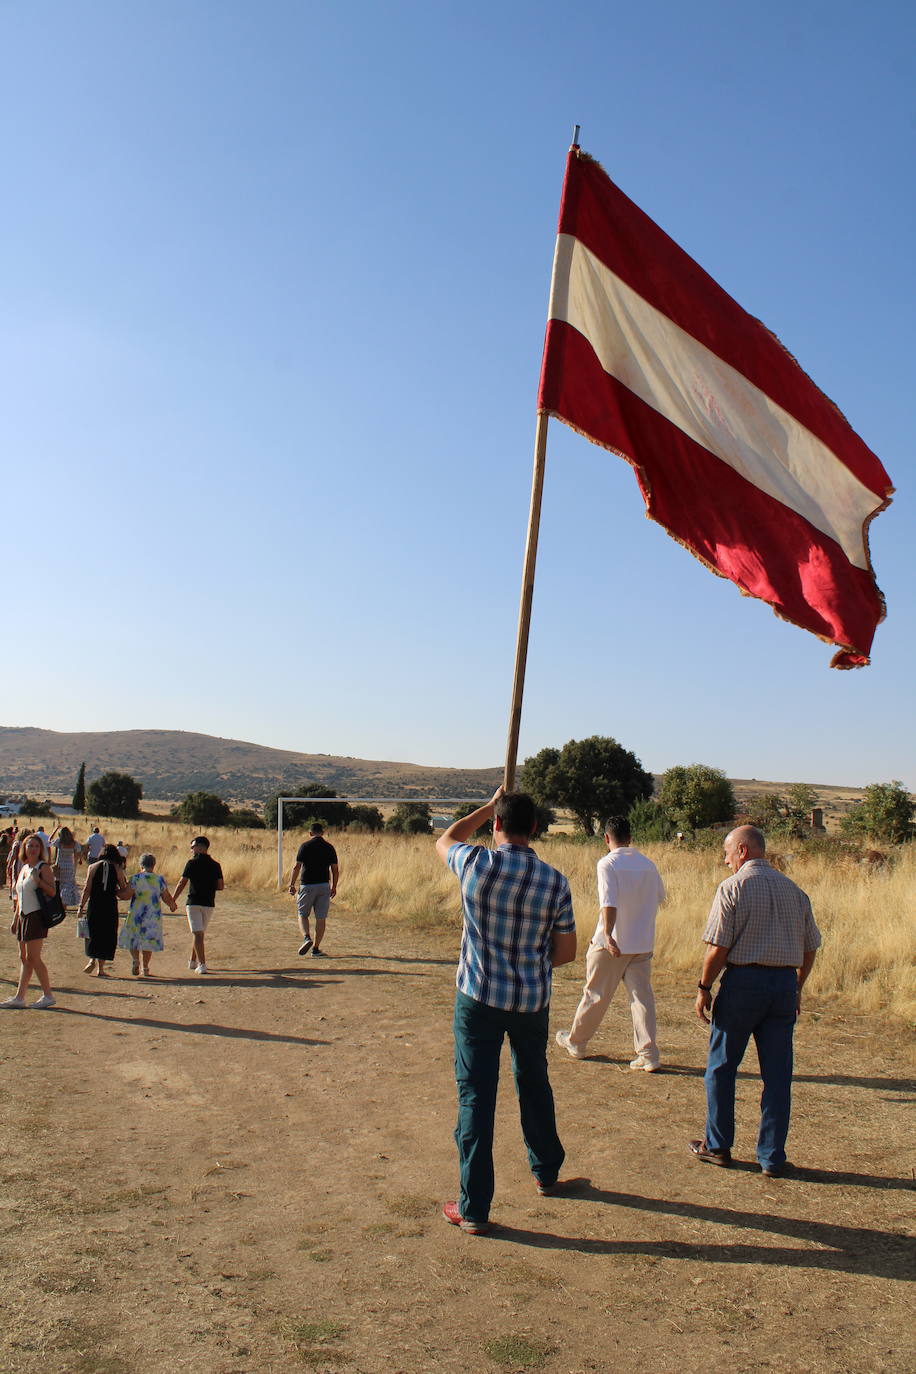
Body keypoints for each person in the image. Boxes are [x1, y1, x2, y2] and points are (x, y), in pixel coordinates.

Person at [435, 788, 577, 1235]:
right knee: (533, 1080)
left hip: (477, 997)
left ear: (496, 825)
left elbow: (447, 837)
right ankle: (546, 1170)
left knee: (476, 1095)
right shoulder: (555, 882)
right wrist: (528, 964)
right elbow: (567, 951)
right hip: (531, 1000)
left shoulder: (475, 864)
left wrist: (486, 804)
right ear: (534, 828)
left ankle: (473, 1207)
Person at [690, 825, 822, 1179]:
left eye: (728, 853)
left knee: (721, 1067)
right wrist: (797, 985)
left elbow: (718, 946)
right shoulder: (795, 891)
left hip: (743, 983)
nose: (726, 860)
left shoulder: (732, 887)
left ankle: (717, 1145)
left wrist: (704, 986)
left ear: (743, 852)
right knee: (778, 1076)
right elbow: (811, 946)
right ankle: (772, 1156)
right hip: (782, 986)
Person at [555, 815, 666, 1069]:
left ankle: (577, 1042)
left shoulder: (607, 864)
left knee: (595, 994)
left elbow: (609, 902)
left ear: (607, 838)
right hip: (641, 943)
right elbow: (659, 897)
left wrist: (607, 933)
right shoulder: (648, 865)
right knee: (642, 998)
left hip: (612, 943)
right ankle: (648, 1054)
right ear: (630, 837)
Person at [2, 833, 58, 1009]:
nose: (32, 849)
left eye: (36, 846)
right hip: (23, 916)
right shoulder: (24, 867)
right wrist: (15, 918)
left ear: (41, 849)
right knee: (24, 957)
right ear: (24, 848)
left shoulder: (43, 868)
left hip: (36, 916)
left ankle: (48, 995)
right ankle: (19, 997)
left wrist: (39, 882)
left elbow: (52, 892)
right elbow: (19, 896)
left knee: (34, 957)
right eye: (29, 846)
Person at [78, 843, 132, 977]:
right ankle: (101, 969)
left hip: (95, 904)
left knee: (93, 931)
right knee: (106, 934)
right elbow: (123, 888)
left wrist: (81, 906)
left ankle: (91, 959)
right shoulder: (117, 869)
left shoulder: (93, 867)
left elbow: (87, 889)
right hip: (109, 905)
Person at [119, 854, 178, 977]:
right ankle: (145, 968)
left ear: (141, 865)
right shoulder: (159, 879)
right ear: (153, 865)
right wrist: (172, 905)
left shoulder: (135, 878)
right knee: (149, 941)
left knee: (133, 939)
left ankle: (135, 960)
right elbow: (166, 896)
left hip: (136, 914)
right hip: (152, 915)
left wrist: (116, 891)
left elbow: (127, 895)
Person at [172, 836, 224, 975]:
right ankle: (192, 961)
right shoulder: (216, 865)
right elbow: (220, 886)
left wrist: (173, 899)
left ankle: (202, 964)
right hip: (208, 903)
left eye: (192, 847)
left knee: (197, 934)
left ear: (200, 847)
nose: (191, 849)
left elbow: (182, 882)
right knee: (199, 933)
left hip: (194, 901)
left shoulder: (191, 863)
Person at [288, 823, 339, 957]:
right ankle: (316, 949)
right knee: (321, 918)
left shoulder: (305, 846)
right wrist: (334, 886)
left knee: (302, 914)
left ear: (310, 833)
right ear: (322, 833)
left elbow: (297, 867)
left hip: (307, 885)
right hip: (323, 885)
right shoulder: (329, 847)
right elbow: (335, 869)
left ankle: (306, 937)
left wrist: (291, 884)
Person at [51, 826, 83, 907]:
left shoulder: (59, 842)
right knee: (68, 885)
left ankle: (60, 901)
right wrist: (75, 866)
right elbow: (77, 856)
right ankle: (65, 901)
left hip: (60, 865)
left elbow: (50, 841)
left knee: (59, 884)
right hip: (69, 866)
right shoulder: (74, 844)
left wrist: (55, 829)